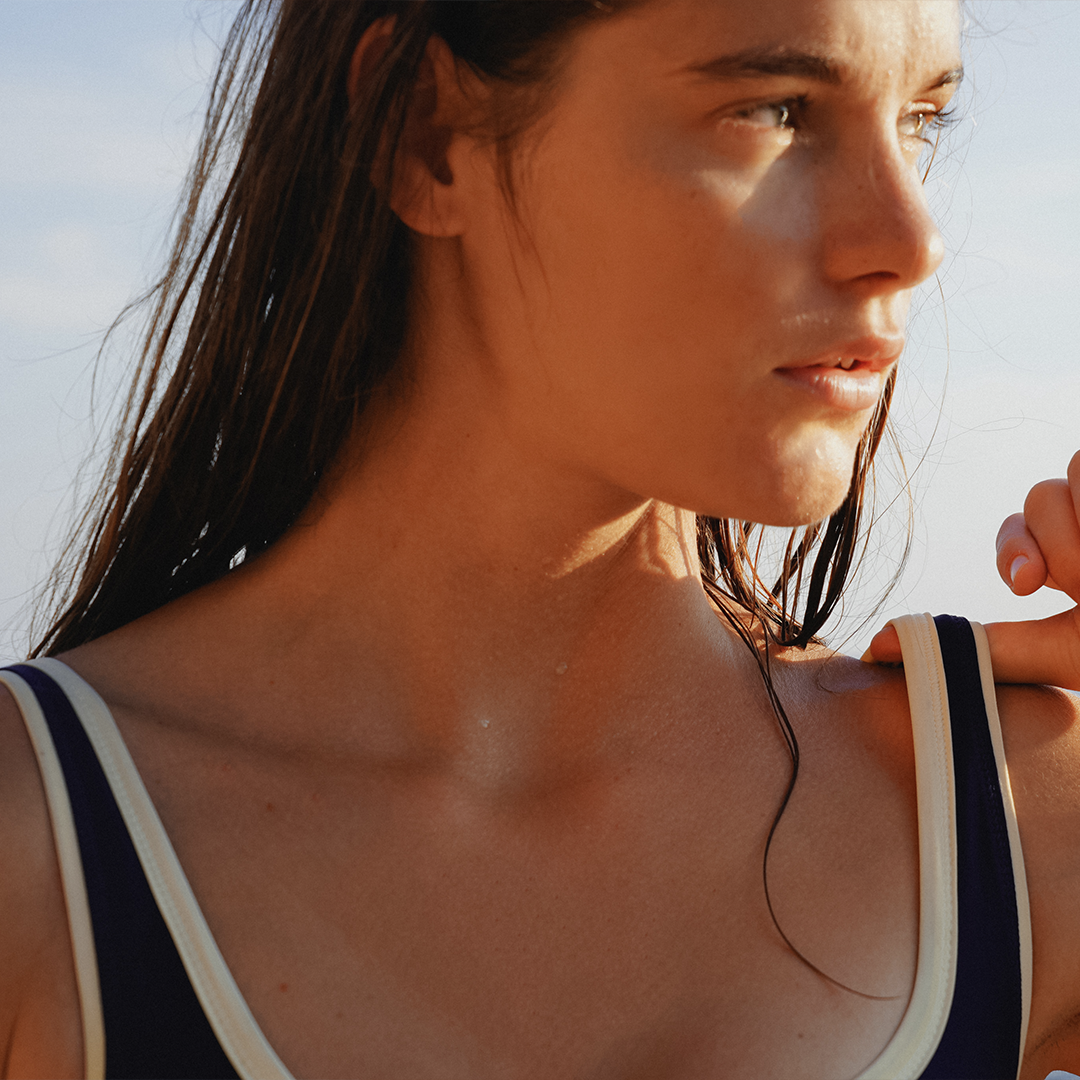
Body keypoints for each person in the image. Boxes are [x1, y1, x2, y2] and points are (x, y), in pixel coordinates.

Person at [1, 0, 1078, 1076]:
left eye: (921, 121)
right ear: (425, 133)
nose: (911, 241)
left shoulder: (1020, 824)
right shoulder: (37, 844)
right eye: (774, 109)